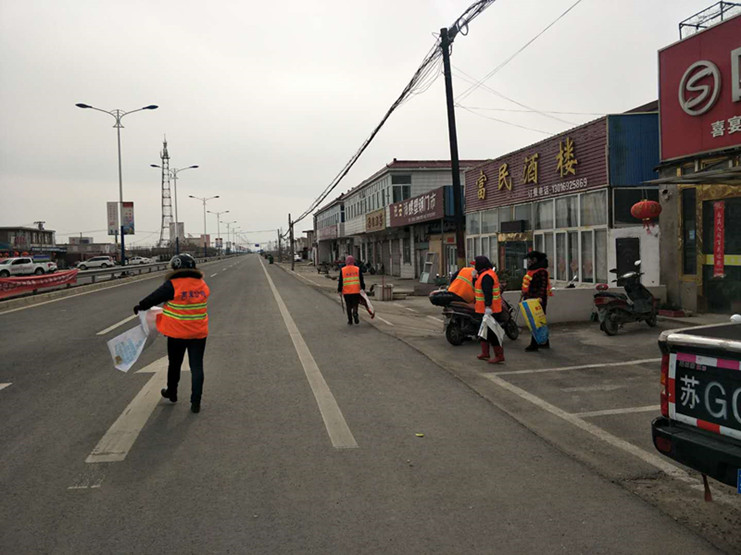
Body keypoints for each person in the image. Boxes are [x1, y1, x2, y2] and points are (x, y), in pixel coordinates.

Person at [133, 253, 210, 413]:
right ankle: (196, 402)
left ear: (176, 267)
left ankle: (172, 392)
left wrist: (140, 306)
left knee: (175, 364)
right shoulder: (201, 283)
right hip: (198, 333)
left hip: (177, 333)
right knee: (197, 366)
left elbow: (154, 298)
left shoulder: (173, 284)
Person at [473, 255, 505, 364]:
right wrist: (474, 278)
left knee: (492, 333)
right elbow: (478, 289)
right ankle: (485, 353)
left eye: (476, 264)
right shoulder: (482, 275)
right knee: (483, 331)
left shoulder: (486, 276)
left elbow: (488, 293)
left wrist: (488, 307)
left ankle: (499, 355)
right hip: (483, 309)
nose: (474, 266)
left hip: (491, 310)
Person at [521, 250, 552, 352]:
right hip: (531, 298)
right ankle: (544, 341)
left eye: (530, 260)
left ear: (535, 260)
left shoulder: (541, 271)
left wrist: (540, 298)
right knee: (538, 321)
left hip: (537, 300)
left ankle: (534, 344)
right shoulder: (533, 270)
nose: (528, 262)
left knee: (535, 322)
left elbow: (543, 286)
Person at [337, 255, 365, 325]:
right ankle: (355, 313)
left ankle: (350, 320)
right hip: (356, 291)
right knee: (355, 304)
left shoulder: (343, 270)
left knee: (348, 306)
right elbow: (361, 279)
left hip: (346, 292)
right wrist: (363, 288)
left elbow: (340, 281)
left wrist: (339, 290)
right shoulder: (357, 269)